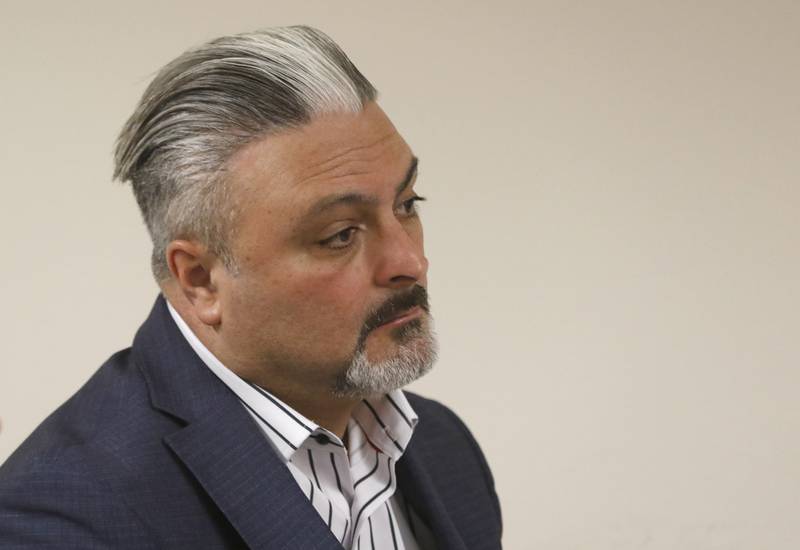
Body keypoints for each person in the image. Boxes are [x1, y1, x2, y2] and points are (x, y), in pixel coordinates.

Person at [0, 26, 502, 549]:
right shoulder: (61, 519)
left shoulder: (445, 450)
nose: (410, 260)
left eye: (407, 205)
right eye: (340, 235)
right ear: (200, 280)